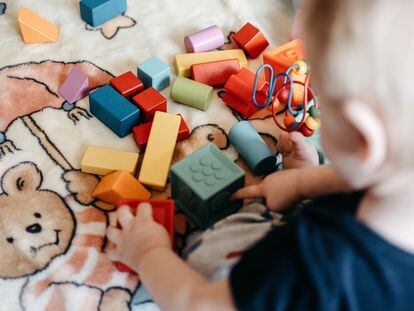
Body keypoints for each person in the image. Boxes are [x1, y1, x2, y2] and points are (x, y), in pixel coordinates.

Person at [106, 0, 414, 309]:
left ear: (361, 137)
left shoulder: (311, 268)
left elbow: (201, 304)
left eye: (322, 103)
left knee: (205, 262)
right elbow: (355, 181)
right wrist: (298, 184)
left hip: (233, 293)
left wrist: (148, 252)